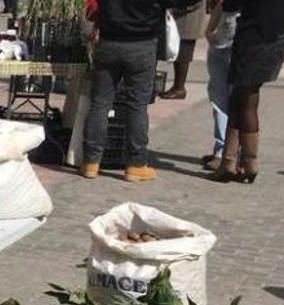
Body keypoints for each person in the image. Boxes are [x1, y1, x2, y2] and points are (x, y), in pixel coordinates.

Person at [81, 0, 203, 182]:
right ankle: (135, 164)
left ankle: (91, 162)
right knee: (136, 106)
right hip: (142, 44)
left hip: (108, 42)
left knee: (100, 103)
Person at [213, 0, 284, 183]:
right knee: (241, 99)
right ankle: (232, 162)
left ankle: (247, 164)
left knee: (245, 101)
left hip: (253, 38)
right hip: (278, 37)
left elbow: (230, 6)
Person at [202, 0, 236, 170]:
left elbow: (224, 4)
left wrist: (210, 32)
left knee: (222, 99)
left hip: (227, 43)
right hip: (255, 47)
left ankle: (222, 151)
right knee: (244, 102)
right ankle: (237, 152)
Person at [159, 1, 208, 99]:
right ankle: (177, 87)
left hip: (189, 11)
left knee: (184, 48)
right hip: (179, 11)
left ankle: (179, 87)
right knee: (180, 47)